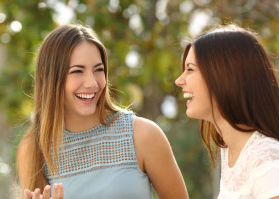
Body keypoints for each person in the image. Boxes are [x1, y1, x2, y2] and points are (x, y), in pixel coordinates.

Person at [16, 23, 189, 199]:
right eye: (77, 71)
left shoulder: (143, 135)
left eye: (99, 70)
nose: (92, 83)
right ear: (48, 76)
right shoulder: (34, 149)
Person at [175, 23, 279, 198]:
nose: (179, 80)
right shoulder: (232, 150)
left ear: (224, 76)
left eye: (190, 69)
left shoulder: (266, 159)